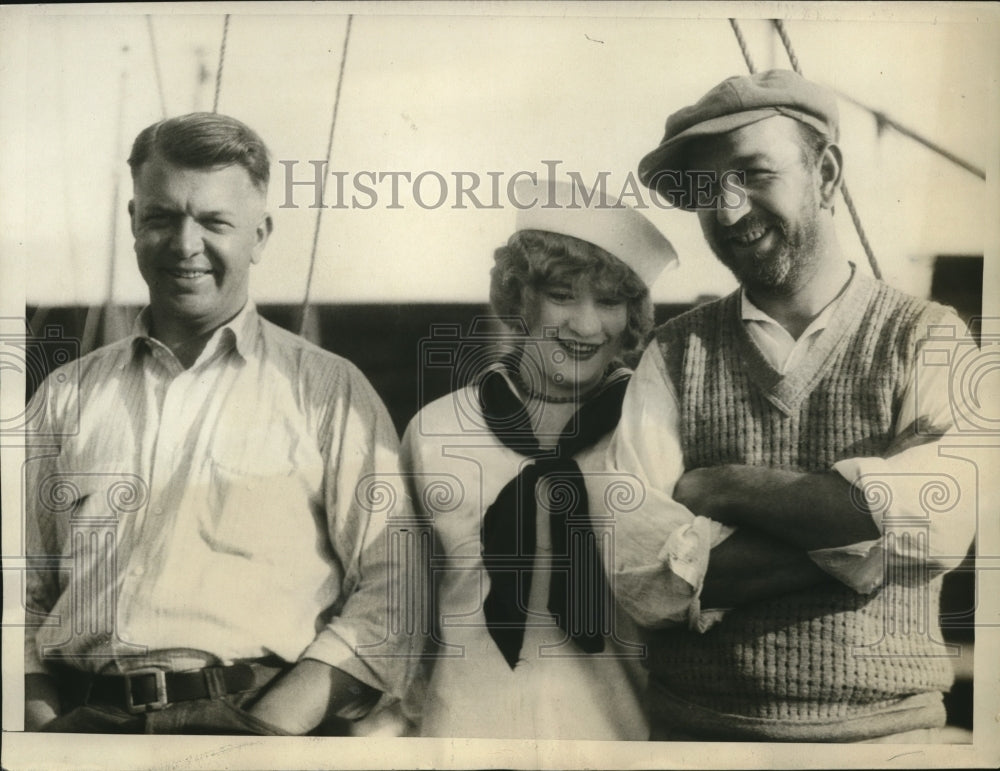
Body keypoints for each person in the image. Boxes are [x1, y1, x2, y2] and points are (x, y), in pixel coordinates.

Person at [602, 69, 978, 742]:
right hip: (700, 741)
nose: (728, 209)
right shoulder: (672, 353)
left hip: (886, 743)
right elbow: (636, 573)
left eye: (753, 173)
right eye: (705, 189)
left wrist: (723, 487)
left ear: (826, 173)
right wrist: (866, 530)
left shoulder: (927, 335)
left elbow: (947, 521)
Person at [23, 112, 421, 735]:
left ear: (259, 235)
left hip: (259, 720)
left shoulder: (329, 392)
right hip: (83, 729)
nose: (185, 245)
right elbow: (16, 591)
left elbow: (394, 592)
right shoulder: (64, 397)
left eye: (214, 222)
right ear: (134, 223)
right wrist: (45, 726)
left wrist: (267, 732)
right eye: (161, 217)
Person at [401, 179, 676, 739]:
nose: (585, 324)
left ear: (633, 315)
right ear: (518, 296)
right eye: (562, 295)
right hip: (464, 739)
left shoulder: (656, 429)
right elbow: (405, 613)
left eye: (609, 301)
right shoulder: (435, 432)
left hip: (620, 741)